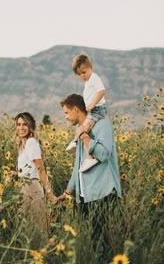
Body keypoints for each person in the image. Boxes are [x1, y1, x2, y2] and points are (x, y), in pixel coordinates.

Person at [58, 94, 121, 261]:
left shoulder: (103, 126)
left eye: (66, 112)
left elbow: (104, 154)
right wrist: (68, 192)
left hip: (103, 194)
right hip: (85, 197)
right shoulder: (78, 130)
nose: (65, 117)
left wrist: (85, 136)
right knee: (92, 244)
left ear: (76, 110)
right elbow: (78, 167)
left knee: (105, 245)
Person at [9, 112, 57, 229]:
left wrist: (51, 195)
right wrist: (17, 174)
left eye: (24, 124)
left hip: (32, 188)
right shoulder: (23, 144)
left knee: (34, 229)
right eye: (18, 124)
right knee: (25, 228)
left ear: (30, 126)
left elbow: (41, 170)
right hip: (25, 187)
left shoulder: (31, 143)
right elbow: (30, 169)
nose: (21, 128)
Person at [66, 54, 107, 173]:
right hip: (93, 110)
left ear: (91, 67)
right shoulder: (88, 81)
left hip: (97, 110)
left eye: (83, 72)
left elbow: (101, 91)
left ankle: (90, 157)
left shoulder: (94, 78)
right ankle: (75, 141)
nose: (82, 76)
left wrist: (93, 104)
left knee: (84, 129)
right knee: (81, 127)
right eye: (79, 74)